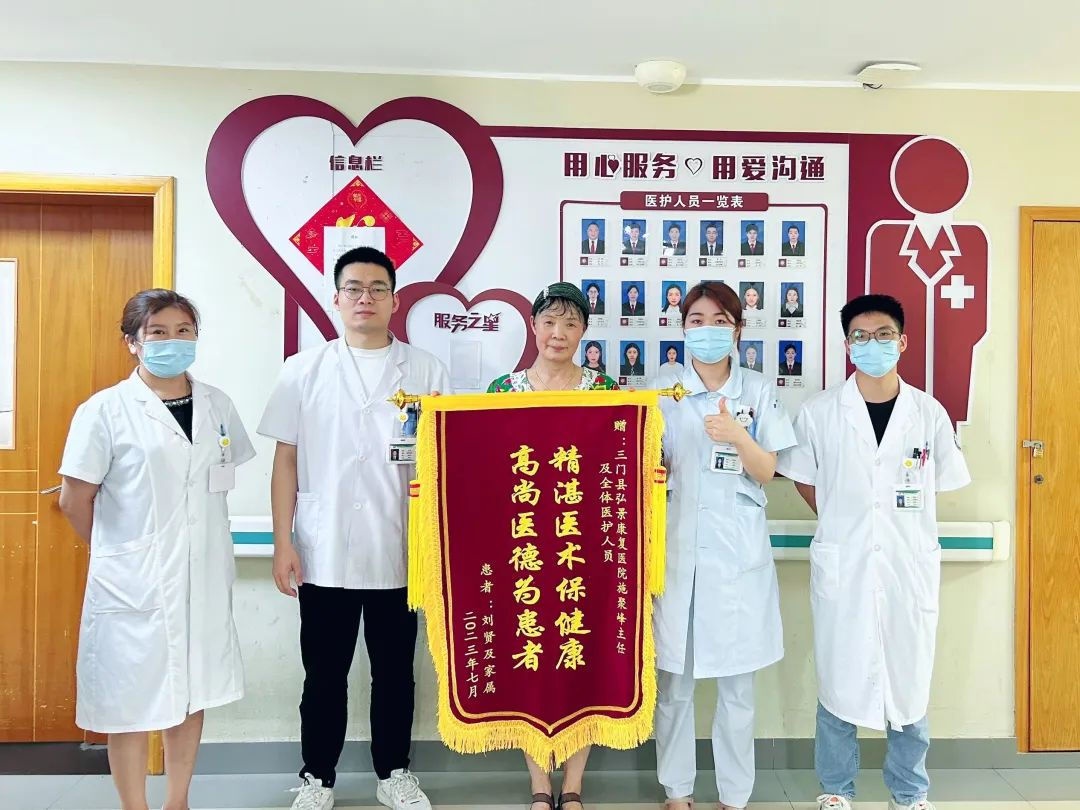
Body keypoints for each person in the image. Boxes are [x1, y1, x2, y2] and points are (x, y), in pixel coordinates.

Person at [258, 246, 451, 810]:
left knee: (395, 674)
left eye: (377, 288)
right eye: (354, 288)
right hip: (323, 550)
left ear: (395, 299)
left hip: (401, 547)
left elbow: (444, 460)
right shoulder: (303, 369)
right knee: (323, 673)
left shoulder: (426, 370)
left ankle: (394, 773)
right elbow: (285, 461)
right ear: (337, 299)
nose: (366, 298)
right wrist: (283, 541)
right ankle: (317, 777)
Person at [58, 289, 256, 810]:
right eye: (159, 333)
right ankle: (134, 806)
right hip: (132, 580)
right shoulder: (104, 410)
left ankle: (177, 801)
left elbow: (218, 476)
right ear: (133, 342)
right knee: (128, 702)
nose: (174, 341)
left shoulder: (217, 405)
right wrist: (121, 551)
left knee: (192, 692)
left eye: (184, 331)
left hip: (201, 575)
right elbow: (74, 500)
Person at [776, 294, 971, 810]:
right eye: (860, 336)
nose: (872, 344)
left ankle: (910, 792)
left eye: (883, 334)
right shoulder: (821, 412)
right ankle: (835, 789)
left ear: (902, 342)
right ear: (847, 346)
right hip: (845, 563)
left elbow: (941, 480)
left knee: (909, 679)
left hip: (907, 565)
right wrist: (845, 516)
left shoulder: (927, 413)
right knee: (838, 677)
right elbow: (804, 479)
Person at [653, 282, 795, 810]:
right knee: (675, 685)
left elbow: (768, 470)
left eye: (719, 321)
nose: (707, 330)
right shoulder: (663, 387)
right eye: (696, 320)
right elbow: (642, 462)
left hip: (736, 557)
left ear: (737, 330)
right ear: (683, 328)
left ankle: (735, 795)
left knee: (737, 690)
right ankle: (677, 791)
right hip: (677, 553)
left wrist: (737, 435)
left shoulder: (756, 389)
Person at [485, 282, 618, 810]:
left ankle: (574, 785)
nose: (558, 333)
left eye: (570, 323)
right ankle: (540, 785)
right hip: (522, 543)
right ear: (533, 326)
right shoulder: (504, 389)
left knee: (581, 657)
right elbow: (484, 464)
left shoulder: (605, 389)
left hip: (583, 546)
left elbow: (624, 461)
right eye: (549, 322)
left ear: (584, 331)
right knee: (530, 657)